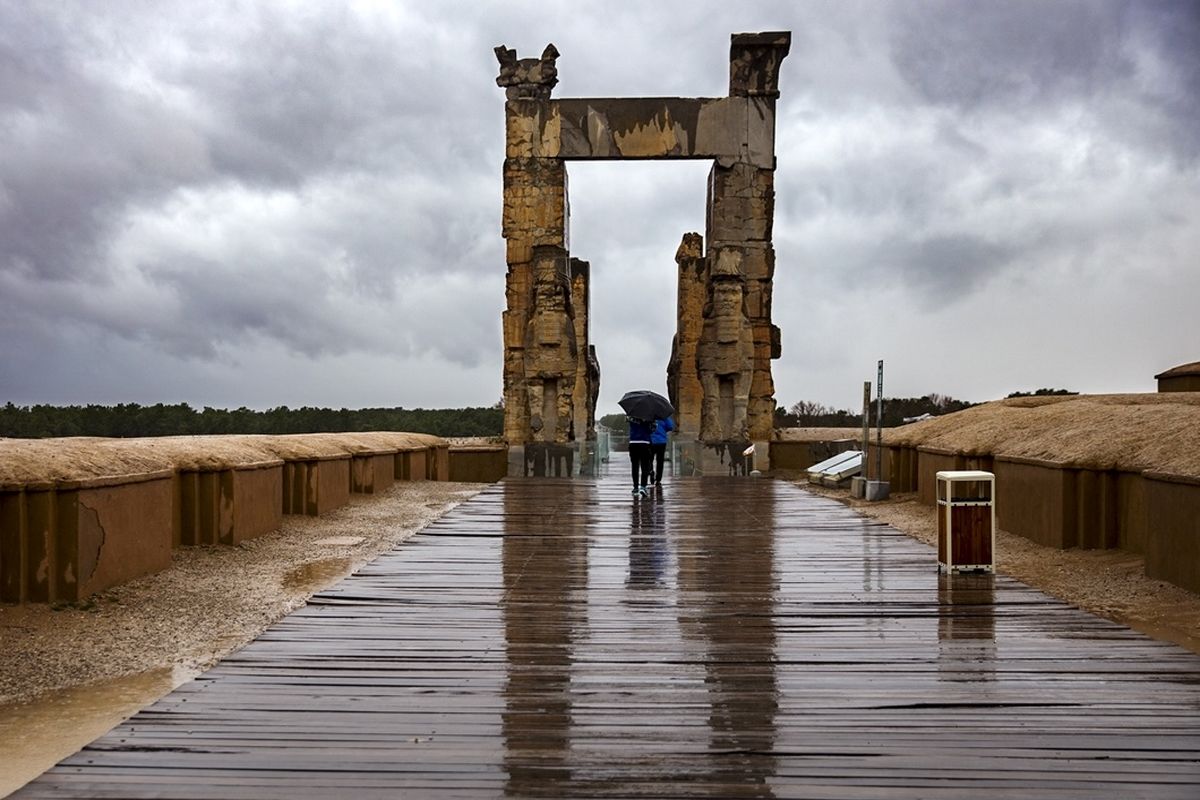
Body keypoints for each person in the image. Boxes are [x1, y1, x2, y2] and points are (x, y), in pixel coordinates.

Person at [627, 416, 654, 497]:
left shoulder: (631, 417)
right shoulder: (649, 417)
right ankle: (643, 486)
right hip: (644, 443)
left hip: (633, 442)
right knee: (645, 466)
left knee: (634, 466)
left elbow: (629, 423)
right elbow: (652, 430)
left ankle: (635, 487)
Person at [648, 416, 675, 486]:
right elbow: (670, 427)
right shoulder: (664, 417)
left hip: (651, 440)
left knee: (649, 459)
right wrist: (663, 430)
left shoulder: (650, 416)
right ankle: (658, 479)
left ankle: (650, 471)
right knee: (660, 461)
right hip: (661, 441)